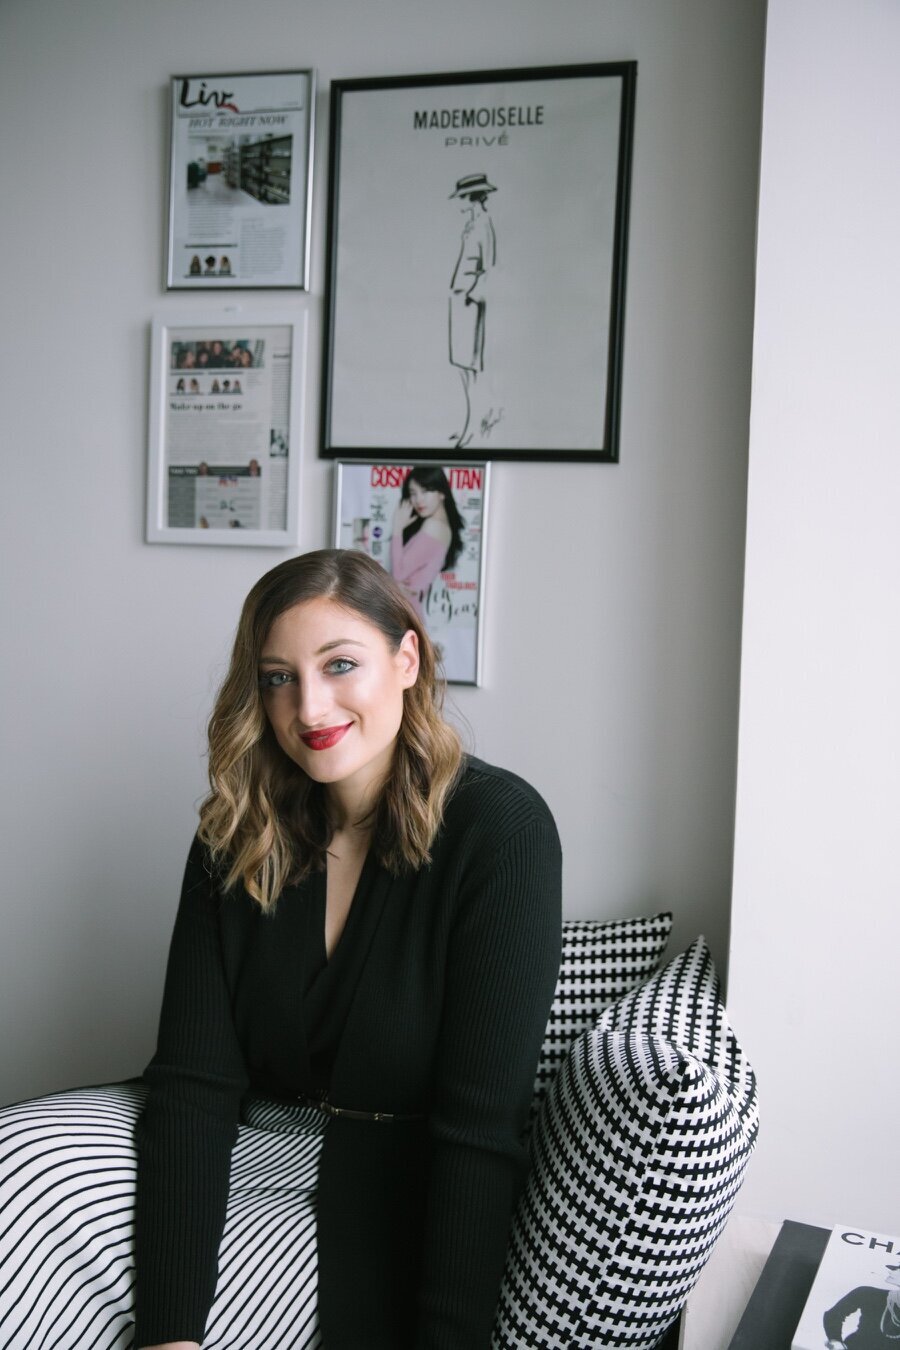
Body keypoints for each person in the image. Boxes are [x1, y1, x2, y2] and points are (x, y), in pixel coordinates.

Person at [0, 549, 561, 1350]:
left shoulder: (502, 831)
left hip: (382, 1179)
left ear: (407, 659)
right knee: (14, 1166)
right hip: (240, 1140)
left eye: (340, 665)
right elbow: (193, 1086)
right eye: (277, 677)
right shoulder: (237, 827)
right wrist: (170, 1333)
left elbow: (479, 1133)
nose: (310, 705)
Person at [448, 173, 497, 448]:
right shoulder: (471, 224)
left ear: (471, 197)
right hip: (459, 300)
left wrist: (471, 295)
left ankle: (474, 427)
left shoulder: (484, 224)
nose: (459, 203)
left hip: (470, 302)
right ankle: (468, 423)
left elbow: (487, 266)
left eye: (462, 198)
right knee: (462, 368)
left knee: (472, 368)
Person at [390, 466, 465, 623]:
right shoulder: (441, 526)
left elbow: (399, 573)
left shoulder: (434, 527)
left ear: (442, 493)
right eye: (413, 493)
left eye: (425, 491)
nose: (418, 500)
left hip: (407, 617)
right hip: (409, 614)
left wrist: (397, 528)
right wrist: (395, 586)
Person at [824, 1260, 900, 1347]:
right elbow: (833, 1315)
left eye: (898, 1269)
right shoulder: (868, 1293)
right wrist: (836, 1341)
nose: (890, 1271)